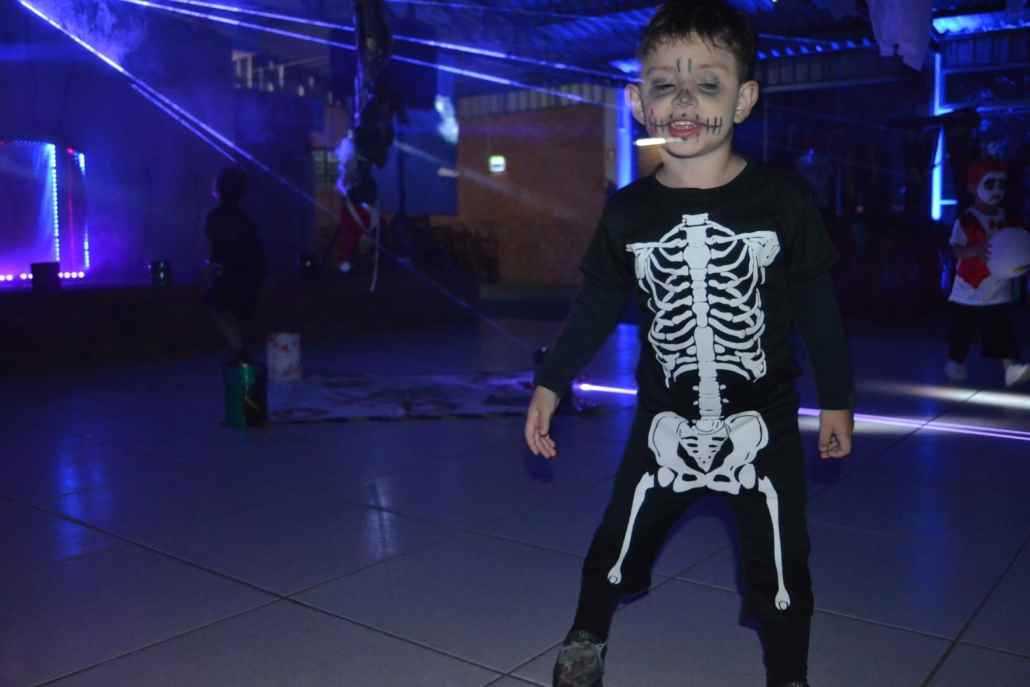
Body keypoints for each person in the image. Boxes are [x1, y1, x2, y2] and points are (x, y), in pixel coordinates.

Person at [523, 3, 854, 686]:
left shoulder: (782, 201)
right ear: (637, 101)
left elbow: (818, 305)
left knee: (781, 558)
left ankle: (788, 671)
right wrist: (552, 380)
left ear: (744, 99)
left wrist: (837, 399)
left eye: (707, 84)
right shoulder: (628, 211)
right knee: (619, 535)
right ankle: (588, 630)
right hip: (663, 419)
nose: (683, 102)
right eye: (664, 85)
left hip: (763, 420)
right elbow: (595, 306)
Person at [945, 159, 1030, 387]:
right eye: (990, 184)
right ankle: (955, 362)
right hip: (968, 290)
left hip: (998, 289)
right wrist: (975, 251)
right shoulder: (966, 219)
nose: (997, 191)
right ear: (973, 187)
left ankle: (1010, 367)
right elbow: (956, 249)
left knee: (1002, 331)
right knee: (962, 332)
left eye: (1001, 185)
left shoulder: (1008, 218)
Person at [204, 166, 266, 362]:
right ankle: (240, 350)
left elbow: (219, 249)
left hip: (233, 273)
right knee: (235, 313)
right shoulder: (245, 217)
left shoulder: (216, 217)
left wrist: (213, 268)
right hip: (250, 272)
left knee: (220, 308)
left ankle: (240, 351)